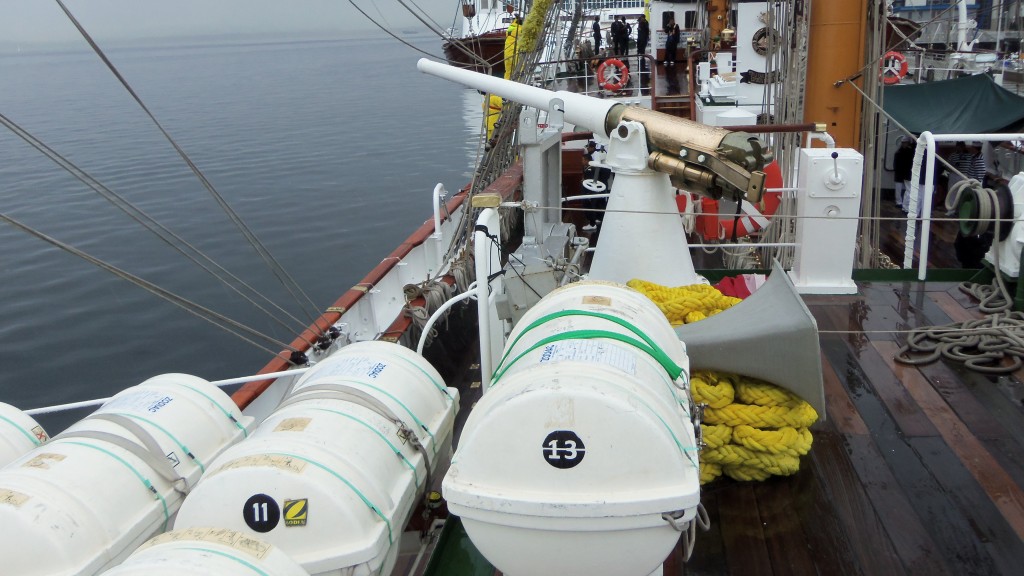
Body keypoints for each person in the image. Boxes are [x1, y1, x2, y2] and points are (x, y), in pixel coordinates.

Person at [892, 136, 914, 209]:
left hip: (904, 172)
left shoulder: (900, 152)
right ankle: (899, 203)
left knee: (905, 188)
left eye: (905, 143)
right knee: (900, 188)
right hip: (902, 172)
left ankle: (900, 203)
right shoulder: (907, 152)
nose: (904, 144)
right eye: (903, 143)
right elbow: (895, 163)